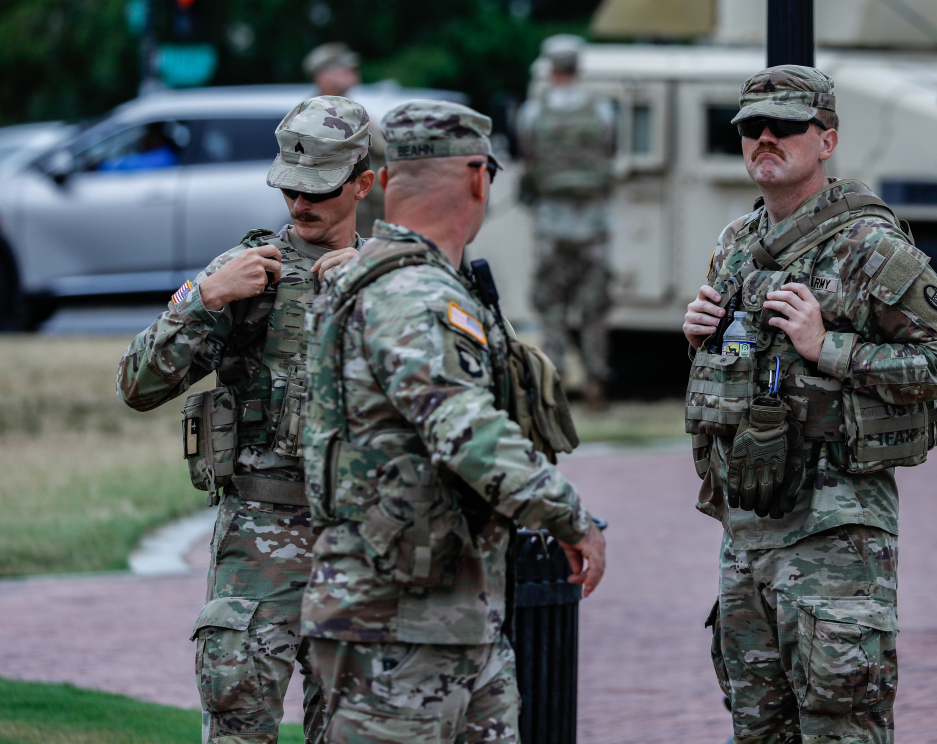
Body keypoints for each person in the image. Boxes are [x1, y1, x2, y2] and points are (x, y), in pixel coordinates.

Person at [300, 99, 607, 744]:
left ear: (384, 184)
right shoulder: (414, 295)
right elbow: (467, 430)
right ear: (478, 179)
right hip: (398, 626)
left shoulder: (396, 281)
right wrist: (568, 516)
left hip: (447, 613)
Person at [682, 66, 937, 744]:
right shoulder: (736, 244)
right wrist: (698, 338)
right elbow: (734, 378)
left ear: (828, 139)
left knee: (841, 728)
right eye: (752, 128)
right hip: (747, 533)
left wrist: (828, 348)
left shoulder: (869, 247)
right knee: (756, 730)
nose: (766, 138)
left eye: (786, 126)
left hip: (836, 538)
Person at [117, 95, 376, 744]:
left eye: (316, 188)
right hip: (262, 539)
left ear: (364, 183)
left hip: (365, 541)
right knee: (239, 725)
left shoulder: (396, 275)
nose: (298, 203)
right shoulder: (245, 272)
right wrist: (204, 302)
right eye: (289, 187)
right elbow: (136, 384)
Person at [516, 34, 616, 410]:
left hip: (550, 225)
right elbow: (610, 150)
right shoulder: (602, 110)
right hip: (595, 225)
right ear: (578, 66)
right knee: (594, 310)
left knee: (552, 307)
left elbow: (529, 158)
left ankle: (554, 383)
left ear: (550, 68)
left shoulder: (533, 112)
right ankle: (595, 381)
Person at [303, 42, 387, 239]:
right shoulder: (314, 117)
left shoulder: (350, 110)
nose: (352, 72)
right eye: (343, 67)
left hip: (373, 211)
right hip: (350, 218)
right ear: (322, 75)